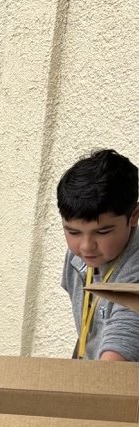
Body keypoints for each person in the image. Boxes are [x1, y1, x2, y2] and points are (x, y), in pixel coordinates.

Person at [57, 148, 139, 361]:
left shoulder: (135, 269)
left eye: (102, 232)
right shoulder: (78, 257)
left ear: (134, 216)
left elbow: (120, 350)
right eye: (73, 232)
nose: (86, 246)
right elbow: (90, 326)